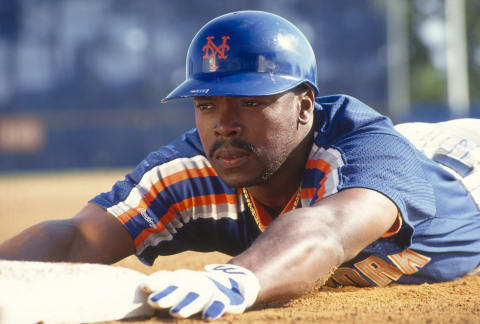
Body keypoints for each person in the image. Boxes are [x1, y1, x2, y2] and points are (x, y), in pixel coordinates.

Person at [1, 10, 480, 320]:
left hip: (461, 162)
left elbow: (328, 231)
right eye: (207, 105)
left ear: (305, 106)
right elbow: (80, 235)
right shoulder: (192, 170)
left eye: (250, 102)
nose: (223, 124)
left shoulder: (362, 149)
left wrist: (237, 278)